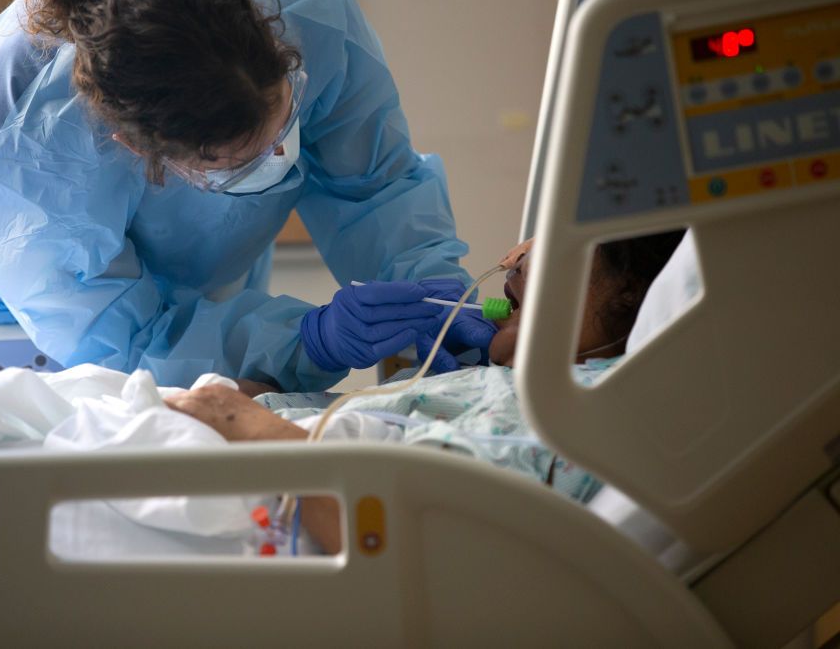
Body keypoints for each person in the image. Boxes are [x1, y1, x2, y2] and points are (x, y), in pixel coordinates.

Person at [0, 0, 492, 396]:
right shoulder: (22, 131)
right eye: (242, 162)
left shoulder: (303, 1)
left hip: (212, 273)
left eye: (286, 119)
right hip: (16, 306)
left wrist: (439, 291)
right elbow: (123, 339)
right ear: (140, 149)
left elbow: (376, 184)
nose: (281, 159)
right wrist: (307, 341)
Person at [165, 230, 685, 552]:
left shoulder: (567, 411)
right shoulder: (512, 385)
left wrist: (248, 423)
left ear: (634, 296)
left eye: (564, 242)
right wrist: (258, 391)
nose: (514, 259)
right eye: (534, 236)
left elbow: (406, 540)